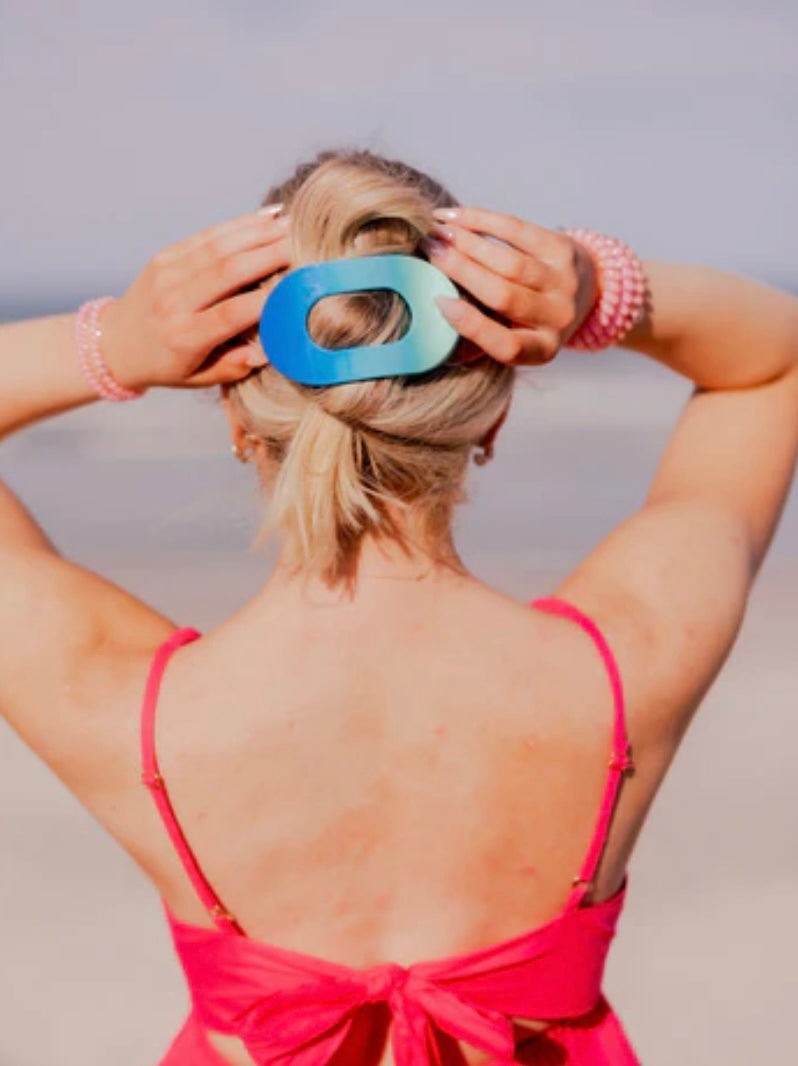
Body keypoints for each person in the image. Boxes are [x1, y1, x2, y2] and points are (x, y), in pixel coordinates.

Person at [1, 146, 796, 1066]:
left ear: (232, 417)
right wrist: (591, 289)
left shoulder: (125, 710)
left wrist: (118, 345)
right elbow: (771, 362)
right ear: (491, 416)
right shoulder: (628, 662)